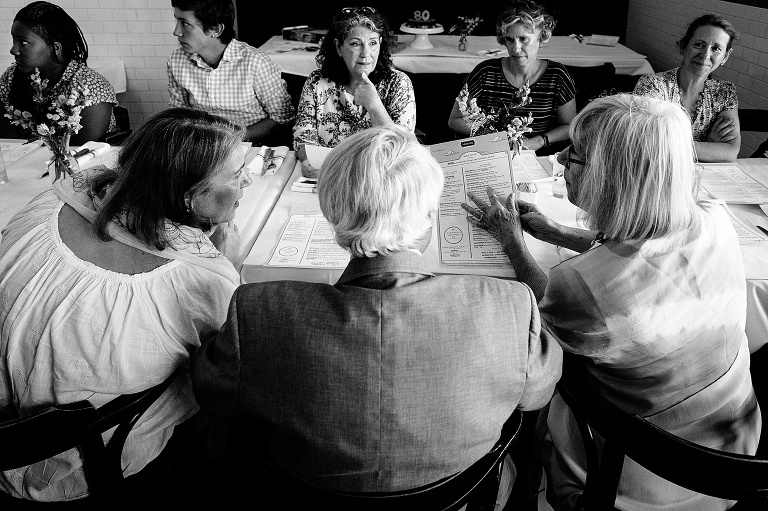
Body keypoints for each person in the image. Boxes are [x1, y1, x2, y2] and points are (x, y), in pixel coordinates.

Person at [191, 125, 562, 507]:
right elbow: (537, 394)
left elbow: (213, 394)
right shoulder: (510, 305)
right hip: (462, 496)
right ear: (432, 213)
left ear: (330, 213)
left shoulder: (257, 309)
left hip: (302, 497)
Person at [463, 94, 760, 510]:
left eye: (576, 155)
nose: (561, 156)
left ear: (613, 178)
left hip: (645, 463)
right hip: (733, 435)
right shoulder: (712, 216)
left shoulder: (583, 285)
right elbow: (641, 249)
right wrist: (553, 231)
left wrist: (513, 242)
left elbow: (547, 304)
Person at [0, 107, 252, 502]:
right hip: (82, 456)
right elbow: (222, 370)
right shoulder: (197, 280)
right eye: (237, 175)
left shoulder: (46, 207)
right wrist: (228, 267)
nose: (248, 180)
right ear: (188, 197)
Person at [292, 6, 416, 178]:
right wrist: (308, 162)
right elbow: (303, 138)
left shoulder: (398, 83)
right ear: (339, 47)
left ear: (380, 44)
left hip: (379, 178)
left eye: (372, 43)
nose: (366, 53)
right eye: (355, 44)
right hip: (329, 176)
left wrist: (374, 106)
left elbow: (404, 148)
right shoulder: (317, 82)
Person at [448, 0, 577, 156]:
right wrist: (495, 136)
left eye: (523, 39)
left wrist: (538, 141)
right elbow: (454, 120)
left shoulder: (557, 76)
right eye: (509, 39)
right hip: (490, 155)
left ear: (541, 37)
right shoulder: (486, 72)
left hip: (538, 157)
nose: (516, 49)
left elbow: (570, 125)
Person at [168, 0, 295, 146]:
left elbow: (282, 119)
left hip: (253, 145)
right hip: (204, 146)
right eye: (177, 20)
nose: (176, 31)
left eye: (185, 23)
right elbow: (178, 114)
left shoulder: (256, 63)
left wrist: (230, 138)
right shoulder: (177, 60)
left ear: (215, 29)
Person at [0, 1, 117, 145]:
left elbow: (75, 148)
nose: (13, 50)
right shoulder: (11, 77)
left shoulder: (90, 87)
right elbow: (5, 133)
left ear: (55, 48)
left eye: (23, 42)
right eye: (14, 40)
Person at [634, 14, 740, 162]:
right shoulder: (653, 85)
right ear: (683, 46)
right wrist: (708, 147)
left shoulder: (725, 93)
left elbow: (730, 152)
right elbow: (648, 144)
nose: (705, 55)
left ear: (725, 57)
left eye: (716, 48)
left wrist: (671, 144)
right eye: (699, 45)